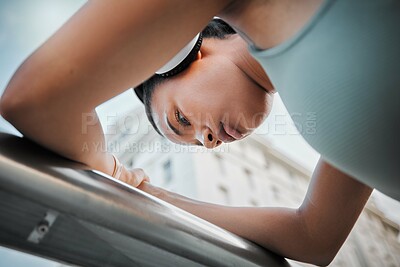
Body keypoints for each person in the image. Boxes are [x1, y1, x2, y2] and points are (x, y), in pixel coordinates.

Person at [0, 0, 398, 265]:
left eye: (181, 120)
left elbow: (35, 100)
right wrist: (150, 195)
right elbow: (314, 237)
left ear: (188, 50)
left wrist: (112, 171)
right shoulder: (330, 122)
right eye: (195, 142)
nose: (208, 141)